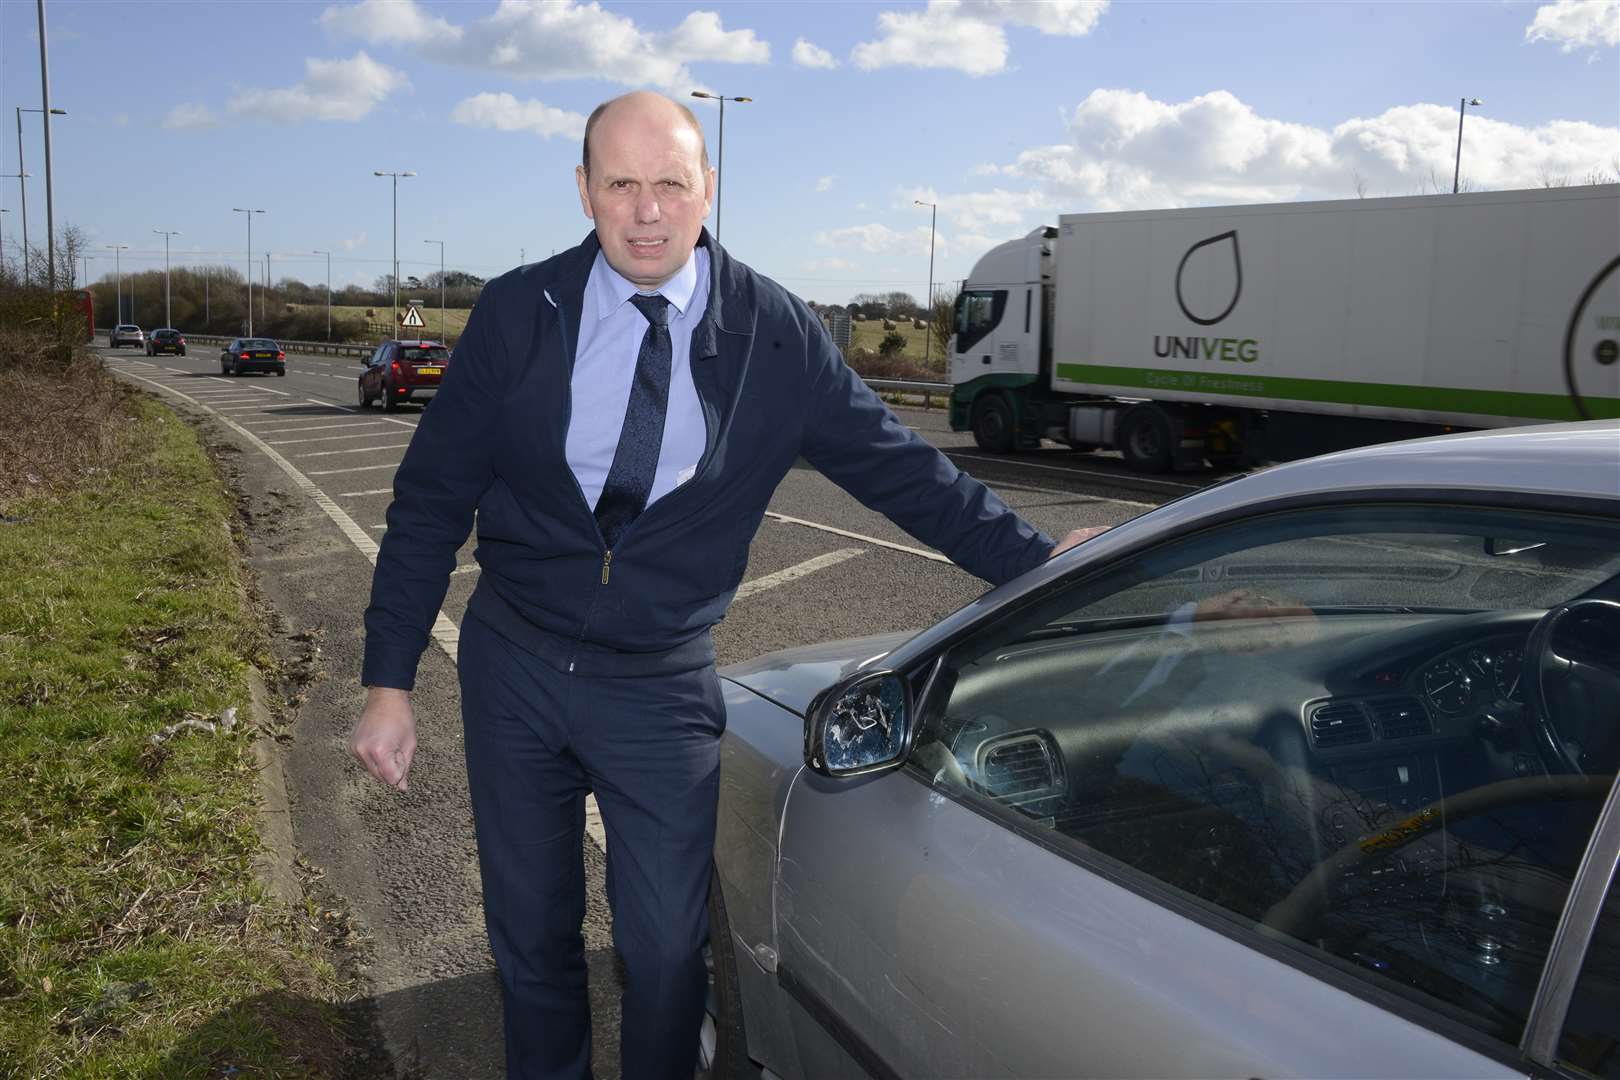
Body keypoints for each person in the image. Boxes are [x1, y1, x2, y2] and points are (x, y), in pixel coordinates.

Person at [349, 90, 1101, 1080]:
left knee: (665, 955)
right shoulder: (518, 314)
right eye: (621, 183)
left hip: (659, 686)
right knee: (532, 946)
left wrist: (1040, 560)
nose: (647, 210)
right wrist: (389, 683)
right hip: (515, 665)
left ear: (709, 190)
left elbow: (905, 474)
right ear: (584, 191)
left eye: (670, 183)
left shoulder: (775, 336)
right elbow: (431, 499)